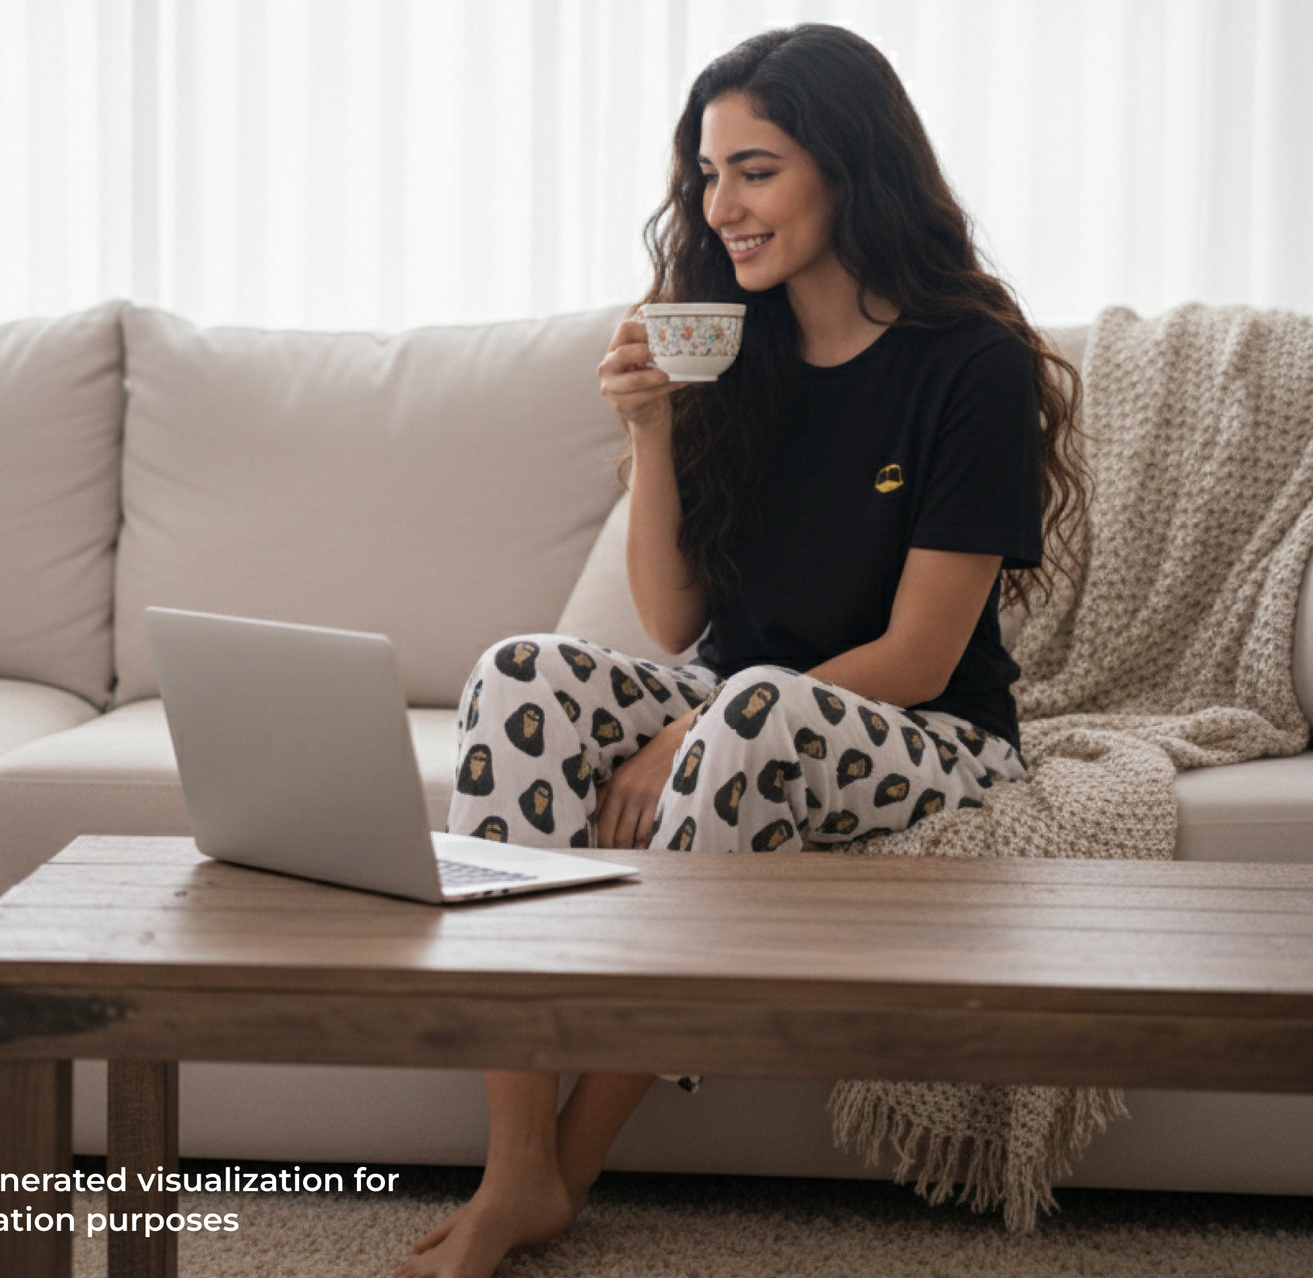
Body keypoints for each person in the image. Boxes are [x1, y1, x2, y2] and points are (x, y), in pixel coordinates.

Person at [393, 22, 1088, 1278]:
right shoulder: (726, 339)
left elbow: (923, 655)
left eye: (752, 170)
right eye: (706, 175)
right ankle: (516, 1165)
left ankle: (570, 1164)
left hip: (930, 734)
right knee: (515, 675)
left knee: (754, 708)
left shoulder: (968, 363)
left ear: (846, 165)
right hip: (739, 694)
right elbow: (671, 626)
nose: (720, 206)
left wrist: (696, 729)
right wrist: (651, 428)